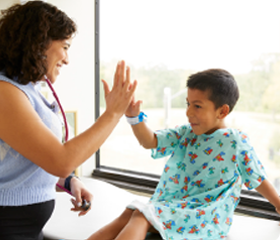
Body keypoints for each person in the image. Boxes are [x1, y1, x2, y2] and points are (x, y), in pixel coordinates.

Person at [88, 68, 280, 240]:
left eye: (197, 106)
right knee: (129, 213)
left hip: (206, 216)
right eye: (188, 103)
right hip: (177, 206)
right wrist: (133, 117)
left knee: (140, 215)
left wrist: (279, 204)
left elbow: (258, 178)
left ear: (222, 111)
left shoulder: (235, 141)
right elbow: (151, 141)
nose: (188, 112)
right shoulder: (186, 133)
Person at [0, 1, 136, 240]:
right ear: (38, 43)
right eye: (64, 46)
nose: (67, 59)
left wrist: (68, 180)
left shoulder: (27, 89)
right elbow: (60, 160)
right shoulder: (5, 92)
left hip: (24, 226)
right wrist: (112, 113)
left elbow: (31, 156)